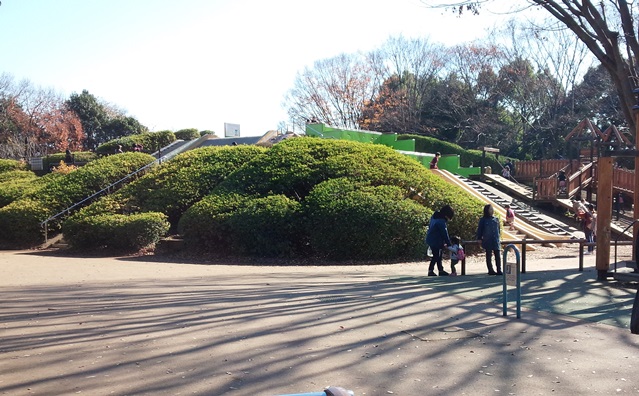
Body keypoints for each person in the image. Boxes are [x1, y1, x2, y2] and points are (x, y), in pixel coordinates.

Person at [425, 204, 454, 276]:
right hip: (435, 240)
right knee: (436, 256)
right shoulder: (441, 221)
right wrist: (449, 243)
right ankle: (431, 270)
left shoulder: (435, 217)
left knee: (439, 255)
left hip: (431, 238)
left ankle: (440, 270)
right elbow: (444, 233)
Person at [476, 204, 502, 275]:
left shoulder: (496, 219)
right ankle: (490, 270)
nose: (492, 210)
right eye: (490, 209)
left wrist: (499, 237)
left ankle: (499, 269)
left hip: (495, 239)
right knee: (488, 255)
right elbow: (480, 230)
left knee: (497, 255)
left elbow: (498, 229)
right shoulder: (483, 220)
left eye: (492, 209)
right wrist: (479, 238)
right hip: (488, 240)